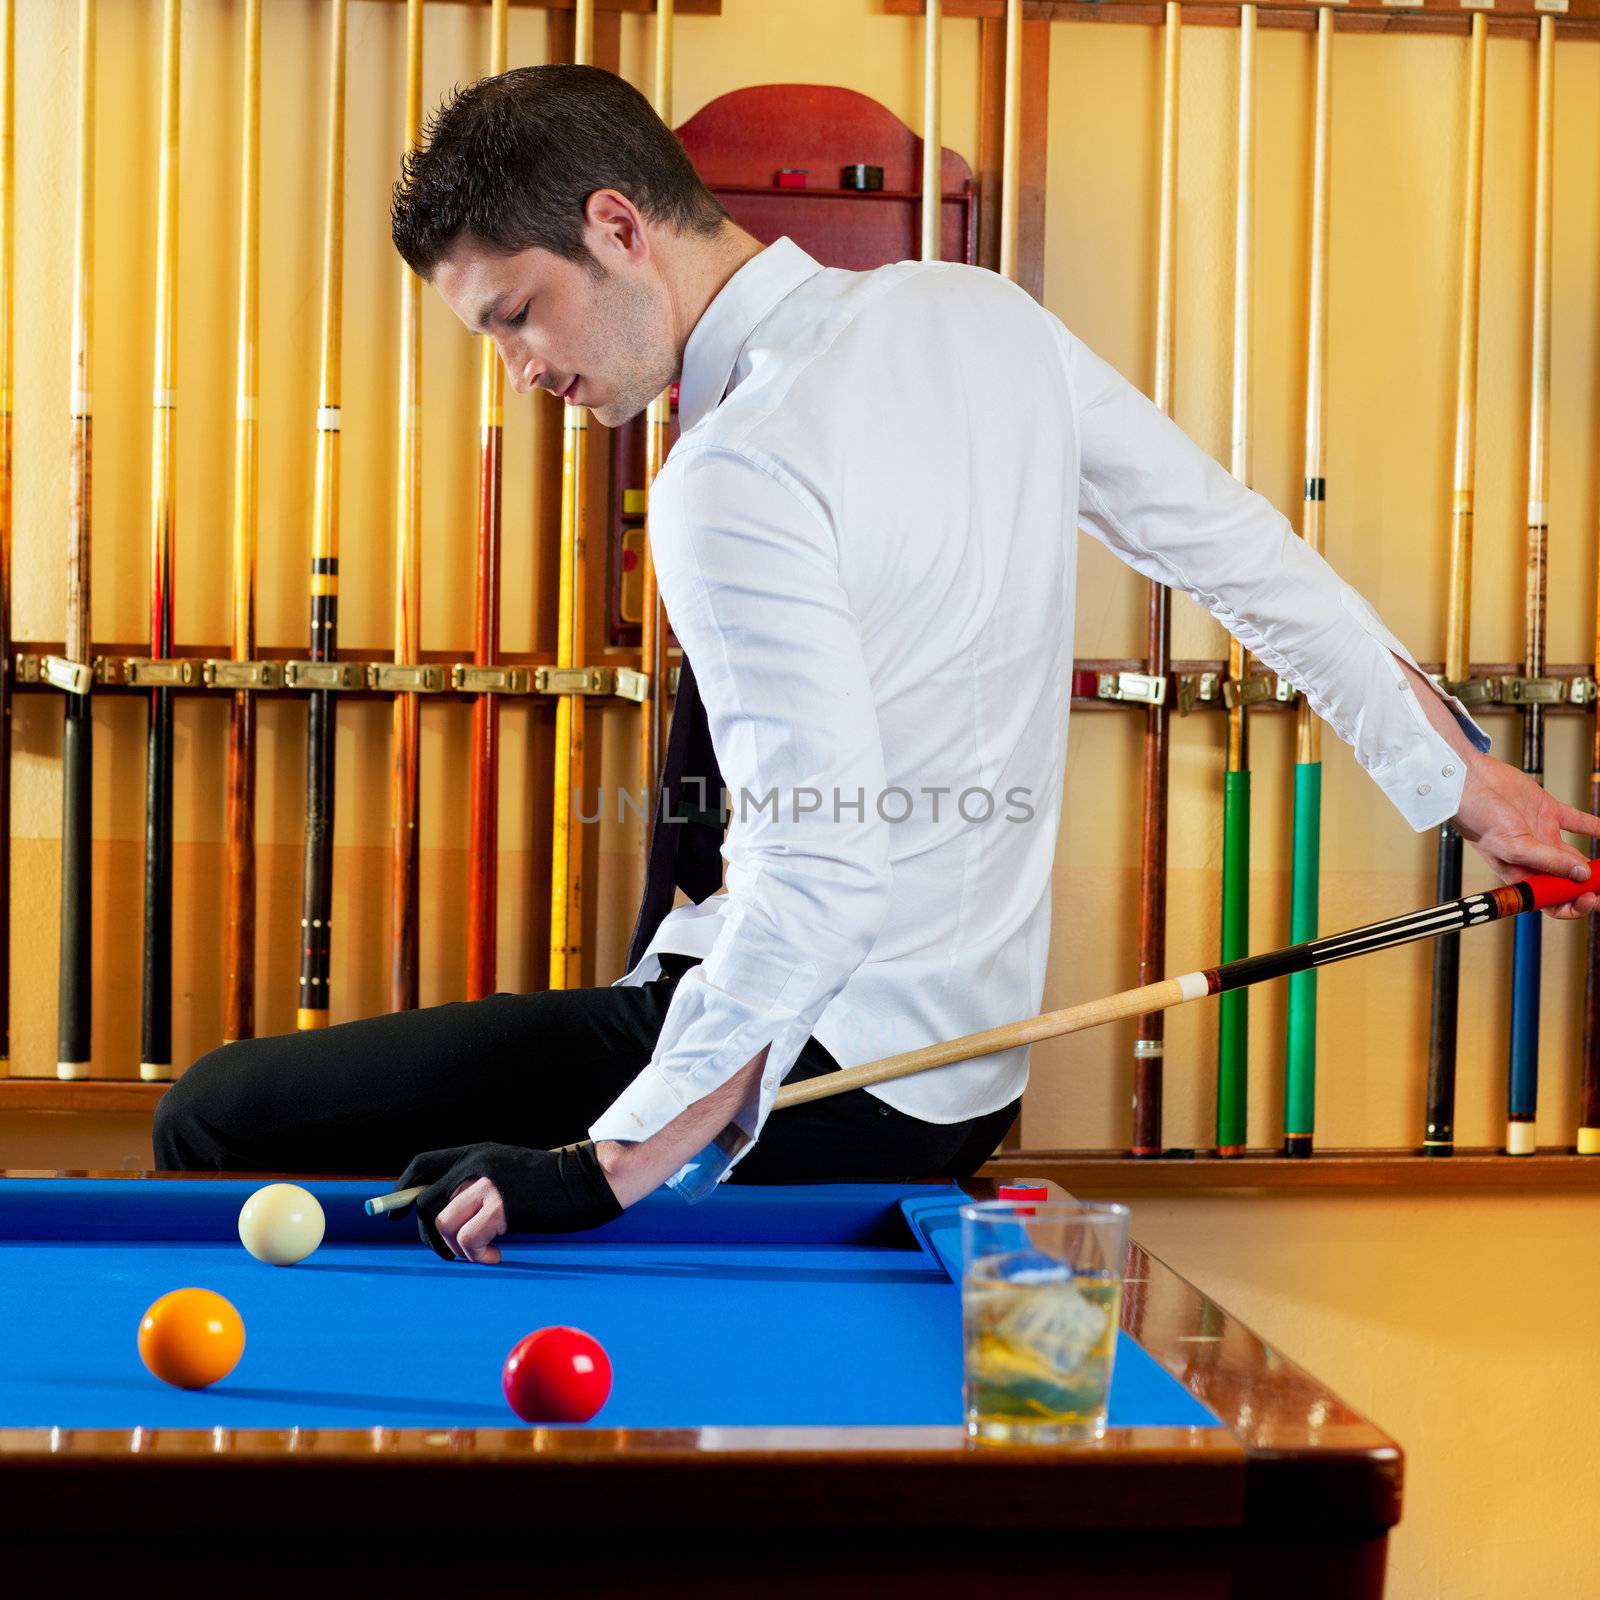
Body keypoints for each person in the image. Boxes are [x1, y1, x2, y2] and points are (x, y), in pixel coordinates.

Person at [154, 64, 1600, 1264]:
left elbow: (822, 871)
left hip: (817, 1066)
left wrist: (605, 1166)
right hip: (959, 1074)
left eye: (517, 316)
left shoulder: (735, 472)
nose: (521, 372)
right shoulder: (980, 319)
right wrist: (1468, 783)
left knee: (218, 1119)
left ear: (615, 225)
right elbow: (1243, 553)